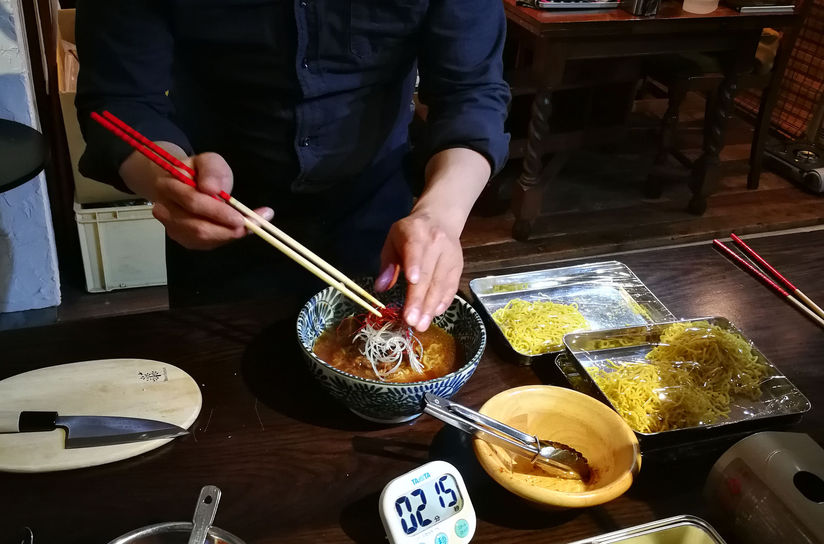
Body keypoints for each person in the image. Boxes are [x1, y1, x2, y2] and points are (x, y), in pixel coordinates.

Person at [75, 0, 510, 331]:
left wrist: (440, 216)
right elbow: (119, 100)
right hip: (223, 213)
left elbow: (470, 92)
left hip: (378, 220)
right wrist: (166, 177)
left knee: (382, 365)